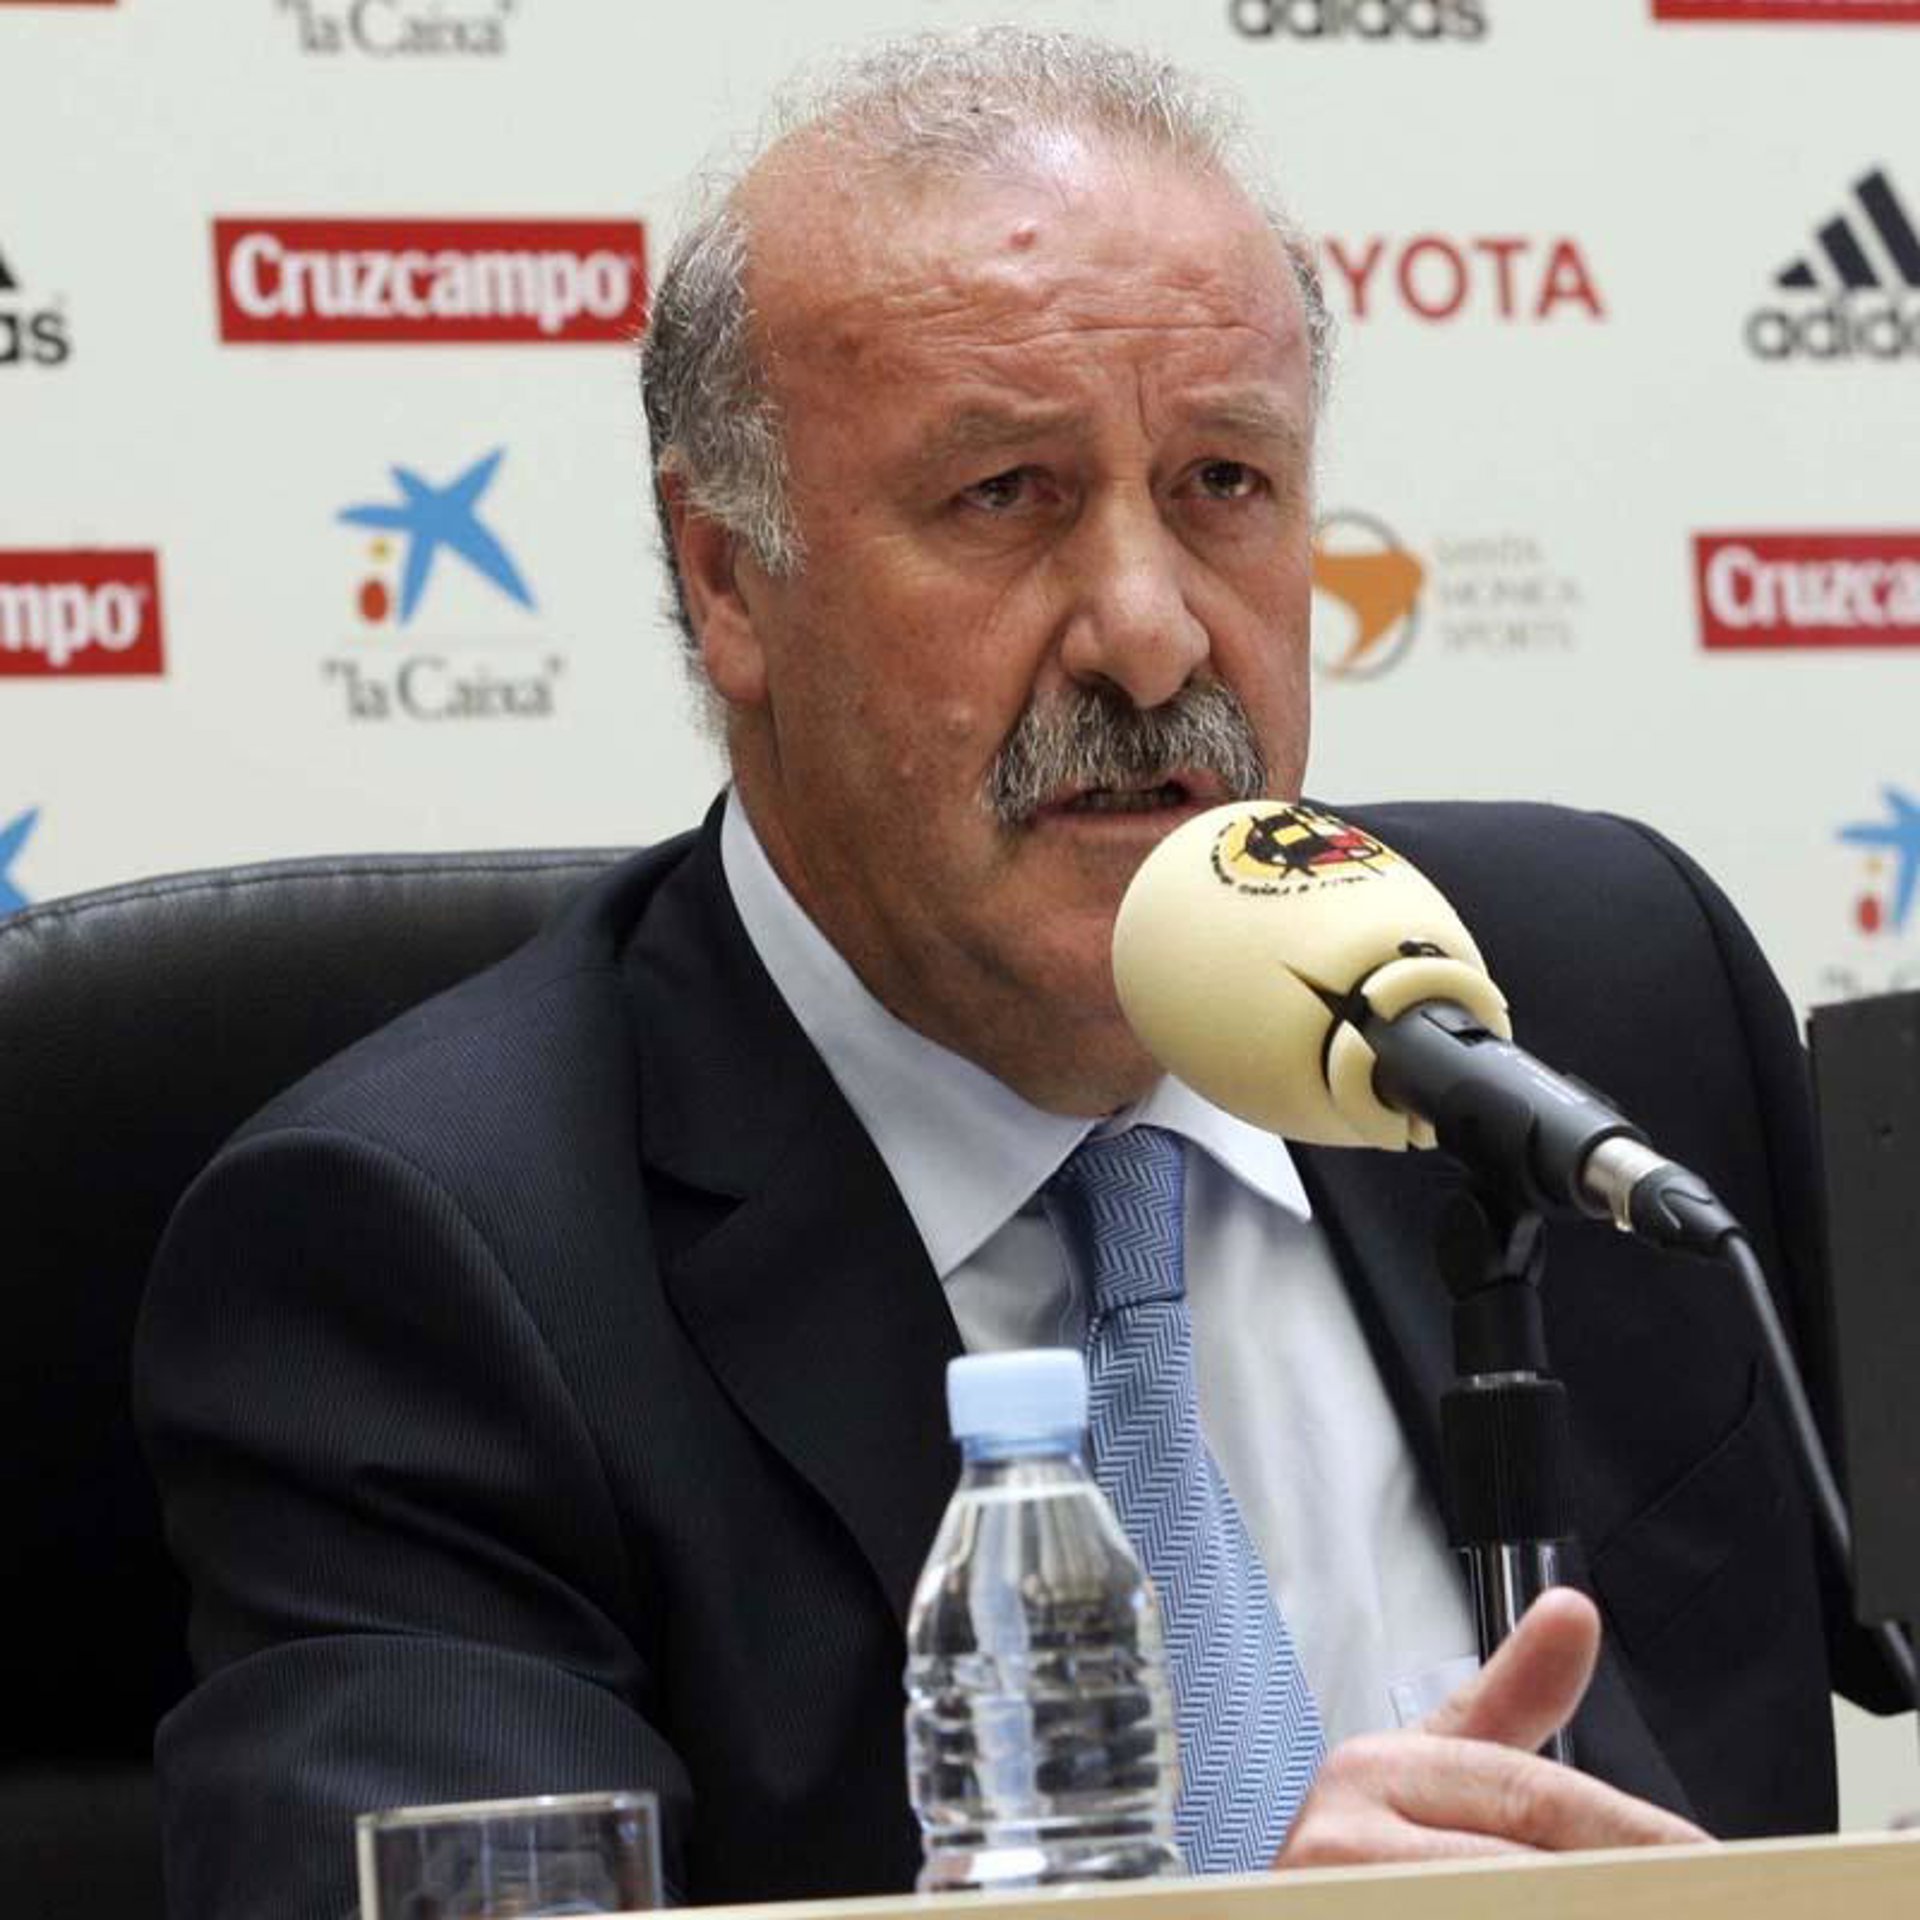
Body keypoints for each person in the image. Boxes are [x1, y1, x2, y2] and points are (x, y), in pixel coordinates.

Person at [135, 28, 1898, 1920]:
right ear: (727, 582)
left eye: (1223, 481)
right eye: (1005, 495)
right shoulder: (426, 1268)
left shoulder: (1586, 1003)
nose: (1150, 635)